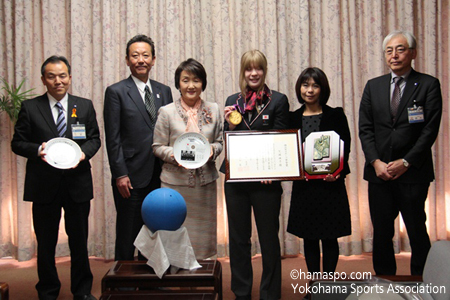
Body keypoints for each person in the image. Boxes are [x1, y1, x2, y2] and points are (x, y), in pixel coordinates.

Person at [11, 55, 100, 300]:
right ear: (43, 79)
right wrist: (37, 150)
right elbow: (17, 142)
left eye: (62, 75)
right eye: (51, 76)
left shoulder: (84, 106)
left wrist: (83, 154)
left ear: (70, 77)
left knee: (79, 242)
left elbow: (94, 139)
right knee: (46, 243)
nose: (57, 81)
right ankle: (48, 291)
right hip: (43, 186)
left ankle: (82, 291)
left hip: (77, 184)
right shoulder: (30, 107)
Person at [359, 30, 442, 275]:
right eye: (389, 50)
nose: (394, 55)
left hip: (413, 173)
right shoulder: (373, 86)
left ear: (413, 53)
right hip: (379, 174)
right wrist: (375, 162)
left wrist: (406, 162)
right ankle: (384, 282)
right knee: (382, 233)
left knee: (417, 231)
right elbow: (365, 129)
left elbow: (430, 130)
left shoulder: (428, 84)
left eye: (400, 49)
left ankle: (423, 282)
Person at [222, 50, 289, 300]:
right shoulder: (233, 101)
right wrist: (229, 125)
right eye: (249, 69)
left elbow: (281, 139)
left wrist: (272, 171)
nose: (253, 73)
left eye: (258, 68)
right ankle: (241, 292)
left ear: (264, 70)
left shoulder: (278, 101)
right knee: (239, 239)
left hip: (266, 182)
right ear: (243, 71)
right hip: (236, 179)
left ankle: (270, 294)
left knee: (269, 239)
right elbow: (226, 138)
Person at [104, 34, 173, 261]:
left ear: (154, 60)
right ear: (127, 60)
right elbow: (112, 138)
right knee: (128, 232)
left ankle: (150, 279)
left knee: (155, 230)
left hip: (161, 174)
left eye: (146, 55)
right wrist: (120, 173)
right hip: (131, 176)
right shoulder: (116, 92)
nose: (140, 60)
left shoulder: (164, 91)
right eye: (135, 56)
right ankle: (121, 286)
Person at [152, 58, 223, 259]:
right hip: (174, 185)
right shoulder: (166, 112)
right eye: (185, 80)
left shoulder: (214, 109)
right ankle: (176, 282)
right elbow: (157, 147)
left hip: (205, 185)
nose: (191, 85)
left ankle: (202, 280)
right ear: (178, 83)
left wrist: (212, 150)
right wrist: (174, 155)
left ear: (203, 83)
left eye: (196, 80)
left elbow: (219, 141)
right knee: (174, 236)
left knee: (203, 240)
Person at [287, 67, 351, 275]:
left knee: (330, 237)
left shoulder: (336, 115)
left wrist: (338, 171)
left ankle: (328, 284)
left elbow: (345, 146)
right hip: (304, 189)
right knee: (309, 238)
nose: (310, 90)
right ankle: (315, 284)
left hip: (330, 186)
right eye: (306, 85)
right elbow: (289, 151)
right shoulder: (292, 118)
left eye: (315, 85)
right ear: (299, 88)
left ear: (323, 89)